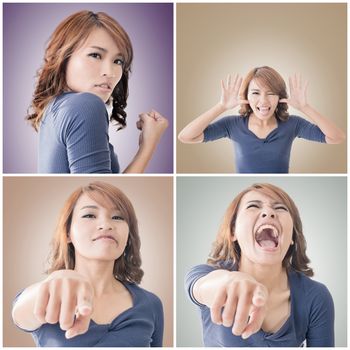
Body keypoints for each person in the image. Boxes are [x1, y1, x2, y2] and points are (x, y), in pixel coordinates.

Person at [12, 181, 164, 347]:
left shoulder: (151, 304)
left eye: (117, 217)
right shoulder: (49, 291)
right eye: (90, 215)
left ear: (128, 235)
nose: (106, 225)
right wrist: (56, 280)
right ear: (67, 233)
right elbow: (19, 313)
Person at [185, 183, 334, 347]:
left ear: (292, 235)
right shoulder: (205, 274)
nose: (269, 212)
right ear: (233, 231)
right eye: (253, 206)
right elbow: (200, 287)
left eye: (280, 208)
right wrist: (229, 282)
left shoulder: (316, 296)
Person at [26, 11, 168, 173]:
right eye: (95, 55)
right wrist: (148, 145)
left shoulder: (54, 107)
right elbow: (101, 192)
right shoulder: (85, 105)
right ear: (64, 57)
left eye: (118, 61)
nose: (110, 72)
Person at [178, 66, 345, 173]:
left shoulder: (292, 124)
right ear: (246, 96)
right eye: (256, 93)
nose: (264, 101)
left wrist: (305, 107)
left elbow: (337, 137)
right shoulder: (232, 125)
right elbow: (186, 137)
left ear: (280, 97)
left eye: (271, 93)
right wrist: (221, 106)